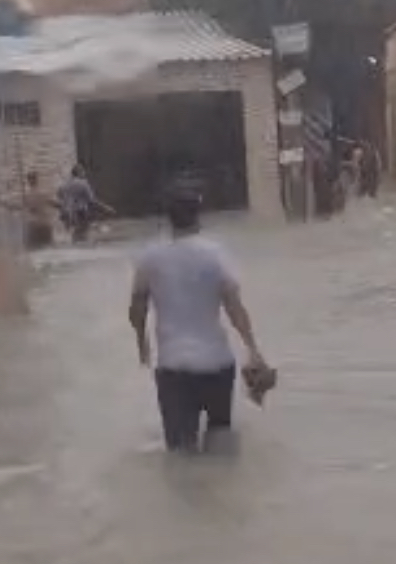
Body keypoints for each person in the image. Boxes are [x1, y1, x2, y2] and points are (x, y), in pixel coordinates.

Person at [128, 192, 267, 453]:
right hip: (217, 365)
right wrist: (253, 348)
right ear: (198, 217)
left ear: (168, 220)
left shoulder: (150, 258)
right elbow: (234, 307)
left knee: (180, 455)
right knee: (221, 448)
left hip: (173, 368)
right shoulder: (216, 254)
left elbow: (137, 307)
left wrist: (141, 342)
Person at [57, 164, 114, 242]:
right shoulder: (83, 183)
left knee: (73, 234)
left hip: (66, 213)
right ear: (80, 173)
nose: (84, 174)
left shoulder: (63, 185)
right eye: (83, 172)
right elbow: (92, 201)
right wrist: (106, 208)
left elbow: (60, 197)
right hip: (79, 213)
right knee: (82, 236)